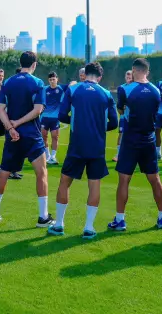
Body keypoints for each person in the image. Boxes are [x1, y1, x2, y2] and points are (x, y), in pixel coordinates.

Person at [47, 62, 118, 239]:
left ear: (85, 74)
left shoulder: (73, 90)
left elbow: (62, 115)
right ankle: (88, 227)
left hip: (77, 145)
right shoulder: (107, 93)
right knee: (94, 185)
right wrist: (98, 127)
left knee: (65, 182)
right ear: (100, 77)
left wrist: (77, 123)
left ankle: (59, 225)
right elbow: (115, 122)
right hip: (97, 146)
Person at [0, 51, 54, 227]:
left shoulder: (9, 82)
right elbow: (38, 109)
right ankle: (43, 217)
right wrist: (17, 123)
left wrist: (10, 127)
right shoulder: (37, 82)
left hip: (13, 136)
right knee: (41, 173)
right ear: (34, 64)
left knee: (4, 172)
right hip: (32, 135)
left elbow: (0, 109)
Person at [109, 58, 162, 231]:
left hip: (130, 140)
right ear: (147, 71)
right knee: (155, 179)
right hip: (149, 140)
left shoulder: (125, 89)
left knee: (124, 180)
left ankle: (120, 220)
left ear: (134, 70)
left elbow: (120, 110)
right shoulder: (156, 91)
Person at [41, 72, 65, 165]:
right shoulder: (44, 89)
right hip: (44, 117)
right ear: (48, 80)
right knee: (44, 136)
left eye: (53, 79)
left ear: (57, 79)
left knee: (55, 136)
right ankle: (47, 156)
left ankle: (53, 156)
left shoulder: (61, 89)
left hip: (55, 118)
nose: (52, 81)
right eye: (50, 80)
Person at [112, 70, 133, 162]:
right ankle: (118, 154)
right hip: (124, 116)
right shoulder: (121, 88)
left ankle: (134, 155)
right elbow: (120, 104)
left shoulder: (136, 87)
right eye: (127, 75)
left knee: (134, 135)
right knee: (121, 134)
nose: (128, 76)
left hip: (134, 117)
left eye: (130, 75)